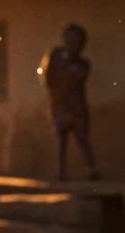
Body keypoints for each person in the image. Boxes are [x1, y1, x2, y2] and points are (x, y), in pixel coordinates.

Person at [40, 23, 100, 180]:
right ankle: (60, 172)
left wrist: (64, 78)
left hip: (77, 106)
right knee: (61, 138)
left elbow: (74, 79)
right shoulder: (55, 56)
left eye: (79, 42)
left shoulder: (82, 64)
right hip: (59, 104)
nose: (75, 45)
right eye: (72, 41)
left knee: (82, 137)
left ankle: (91, 169)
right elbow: (48, 77)